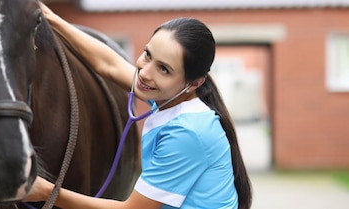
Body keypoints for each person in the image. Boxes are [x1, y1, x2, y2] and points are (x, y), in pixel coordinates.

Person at [24, 3, 252, 209]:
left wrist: (46, 191)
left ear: (193, 84)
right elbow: (108, 64)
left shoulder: (188, 132)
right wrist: (50, 17)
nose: (144, 73)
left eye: (164, 68)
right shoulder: (171, 96)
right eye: (147, 55)